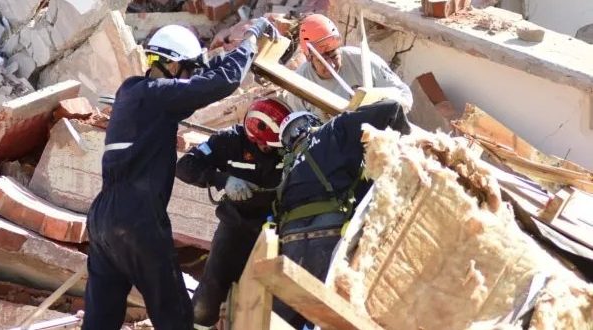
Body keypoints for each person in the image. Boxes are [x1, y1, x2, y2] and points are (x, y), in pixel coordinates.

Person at [83, 20, 279, 330]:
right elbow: (223, 82)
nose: (190, 78)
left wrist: (213, 61)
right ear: (173, 64)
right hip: (139, 218)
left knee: (100, 321)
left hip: (101, 219)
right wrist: (250, 41)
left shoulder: (131, 94)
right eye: (189, 70)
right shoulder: (157, 96)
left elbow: (198, 85)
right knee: (175, 318)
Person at [272, 99, 411, 329]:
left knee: (286, 316)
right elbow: (391, 109)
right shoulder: (334, 128)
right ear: (313, 121)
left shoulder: (287, 170)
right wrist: (406, 146)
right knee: (333, 313)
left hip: (291, 244)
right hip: (330, 232)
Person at [175, 98, 291, 328]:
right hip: (237, 224)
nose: (271, 151)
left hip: (281, 225)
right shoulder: (228, 140)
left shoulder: (290, 141)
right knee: (213, 287)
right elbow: (185, 166)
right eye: (266, 146)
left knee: (282, 294)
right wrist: (223, 179)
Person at [284, 14, 413, 122]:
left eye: (334, 55)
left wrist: (378, 104)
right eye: (322, 61)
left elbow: (404, 95)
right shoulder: (299, 83)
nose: (332, 65)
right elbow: (300, 129)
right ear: (309, 58)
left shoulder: (363, 60)